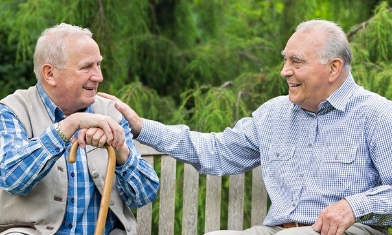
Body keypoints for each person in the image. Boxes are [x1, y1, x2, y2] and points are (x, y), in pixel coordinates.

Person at [98, 19, 392, 235]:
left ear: (333, 68)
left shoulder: (377, 115)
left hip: (350, 231)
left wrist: (354, 206)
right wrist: (140, 127)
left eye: (296, 62)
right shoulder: (274, 114)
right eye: (285, 60)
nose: (284, 70)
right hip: (279, 231)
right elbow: (215, 151)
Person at [0, 23, 159, 235]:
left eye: (98, 65)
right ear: (50, 74)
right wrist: (68, 125)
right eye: (86, 67)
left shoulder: (110, 113)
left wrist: (121, 151)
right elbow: (13, 178)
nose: (98, 76)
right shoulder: (13, 110)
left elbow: (144, 195)